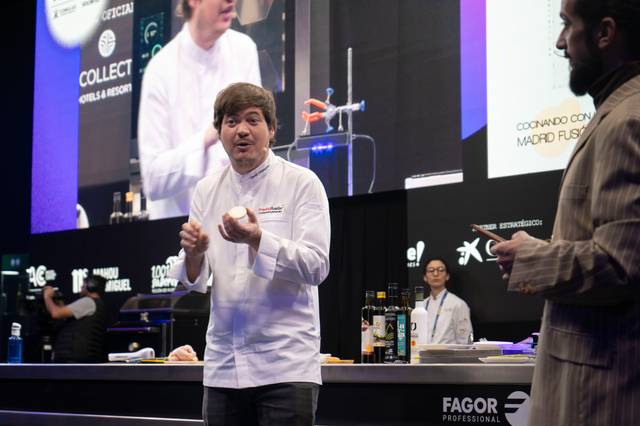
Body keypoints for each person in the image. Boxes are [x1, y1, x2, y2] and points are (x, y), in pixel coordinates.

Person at [491, 0, 640, 424]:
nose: (560, 42)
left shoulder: (627, 120)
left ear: (604, 33)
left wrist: (531, 258)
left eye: (566, 25)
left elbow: (622, 264)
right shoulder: (616, 112)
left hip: (600, 398)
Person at [168, 82, 330, 425]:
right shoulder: (206, 190)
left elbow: (316, 265)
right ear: (219, 132)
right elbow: (197, 279)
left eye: (253, 120)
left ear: (271, 129)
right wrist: (195, 255)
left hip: (285, 367)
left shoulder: (303, 182)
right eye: (230, 121)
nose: (241, 130)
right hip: (223, 367)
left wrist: (258, 239)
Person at [138, 0, 261, 220]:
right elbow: (153, 180)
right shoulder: (160, 70)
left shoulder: (245, 51)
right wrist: (204, 140)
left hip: (239, 224)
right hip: (178, 229)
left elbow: (260, 146)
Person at [42, 275, 107, 363]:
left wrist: (47, 296)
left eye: (83, 285)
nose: (81, 287)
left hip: (75, 359)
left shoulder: (88, 302)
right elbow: (66, 316)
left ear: (90, 286)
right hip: (82, 359)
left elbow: (55, 313)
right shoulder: (96, 304)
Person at [421, 257, 472, 344]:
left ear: (447, 276)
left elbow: (465, 340)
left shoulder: (458, 304)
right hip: (422, 355)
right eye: (431, 270)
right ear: (425, 277)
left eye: (440, 270)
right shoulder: (421, 305)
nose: (436, 274)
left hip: (448, 356)